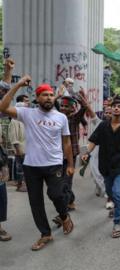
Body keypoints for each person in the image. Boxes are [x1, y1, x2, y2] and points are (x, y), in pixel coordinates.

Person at [0, 77, 75, 251]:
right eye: (45, 95)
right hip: (31, 165)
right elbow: (2, 107)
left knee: (56, 194)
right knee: (36, 202)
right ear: (37, 98)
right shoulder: (27, 113)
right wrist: (17, 85)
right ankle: (45, 234)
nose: (49, 97)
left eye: (51, 95)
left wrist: (70, 164)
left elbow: (67, 143)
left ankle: (64, 216)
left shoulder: (61, 117)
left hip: (54, 164)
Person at [82, 97, 120, 238]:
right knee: (110, 193)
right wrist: (87, 153)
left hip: (119, 165)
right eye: (114, 106)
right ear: (110, 110)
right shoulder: (103, 126)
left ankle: (117, 223)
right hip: (105, 165)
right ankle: (116, 202)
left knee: (117, 193)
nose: (116, 108)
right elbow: (93, 141)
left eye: (119, 106)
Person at [9, 97, 28, 192]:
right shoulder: (14, 121)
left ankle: (22, 184)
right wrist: (18, 149)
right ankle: (20, 185)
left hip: (27, 148)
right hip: (20, 148)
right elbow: (13, 137)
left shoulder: (23, 119)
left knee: (24, 168)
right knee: (20, 168)